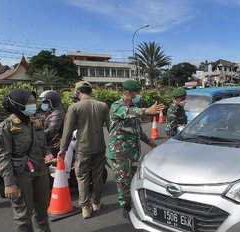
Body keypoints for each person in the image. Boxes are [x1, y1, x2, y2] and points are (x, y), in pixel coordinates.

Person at [0, 88, 65, 232]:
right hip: (20, 174)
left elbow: (43, 144)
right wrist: (9, 183)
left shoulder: (35, 122)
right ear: (18, 104)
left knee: (42, 206)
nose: (33, 106)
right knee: (22, 212)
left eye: (34, 102)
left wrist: (48, 153)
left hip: (40, 169)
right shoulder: (6, 127)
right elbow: (3, 158)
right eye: (30, 103)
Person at [108, 80, 164, 219]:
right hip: (120, 151)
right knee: (123, 180)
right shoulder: (117, 106)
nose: (138, 95)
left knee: (133, 178)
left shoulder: (134, 106)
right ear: (128, 93)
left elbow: (137, 129)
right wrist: (147, 111)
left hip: (133, 151)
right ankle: (126, 206)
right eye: (137, 92)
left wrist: (149, 141)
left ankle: (134, 202)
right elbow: (128, 113)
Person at [58, 81, 110, 219]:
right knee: (97, 176)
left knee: (82, 177)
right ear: (90, 91)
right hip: (99, 146)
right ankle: (97, 203)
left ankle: (85, 207)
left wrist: (62, 149)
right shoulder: (103, 106)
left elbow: (67, 132)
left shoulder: (74, 107)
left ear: (78, 92)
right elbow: (112, 128)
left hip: (82, 147)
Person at [39, 90, 65, 154]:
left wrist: (37, 135)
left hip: (53, 145)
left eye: (45, 103)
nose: (43, 104)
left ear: (53, 102)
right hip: (50, 142)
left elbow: (51, 131)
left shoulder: (57, 114)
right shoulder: (51, 112)